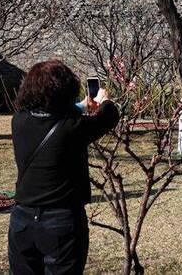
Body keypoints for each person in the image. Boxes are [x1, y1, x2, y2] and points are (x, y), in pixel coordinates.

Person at [9, 60, 119, 274]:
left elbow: (52, 117)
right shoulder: (73, 129)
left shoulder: (18, 121)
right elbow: (109, 117)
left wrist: (83, 105)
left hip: (21, 219)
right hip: (61, 222)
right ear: (65, 91)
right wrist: (104, 101)